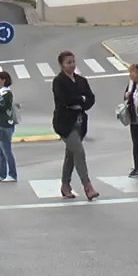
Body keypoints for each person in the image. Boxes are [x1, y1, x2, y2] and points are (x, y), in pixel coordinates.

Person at [52, 50, 99, 201]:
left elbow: (91, 98)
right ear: (62, 65)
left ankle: (65, 185)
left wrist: (82, 102)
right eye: (68, 62)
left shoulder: (81, 80)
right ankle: (88, 186)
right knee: (79, 151)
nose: (72, 65)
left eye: (73, 61)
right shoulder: (59, 81)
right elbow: (66, 99)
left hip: (80, 121)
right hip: (64, 123)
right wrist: (80, 99)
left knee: (71, 155)